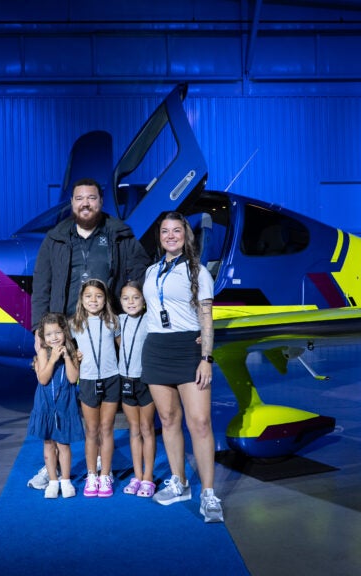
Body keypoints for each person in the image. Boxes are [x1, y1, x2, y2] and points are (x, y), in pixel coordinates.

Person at [27, 177, 150, 491]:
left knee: (98, 395)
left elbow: (140, 268)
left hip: (103, 329)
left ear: (101, 200)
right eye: (79, 198)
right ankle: (52, 465)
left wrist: (128, 303)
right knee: (60, 399)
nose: (85, 203)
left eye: (91, 198)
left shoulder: (119, 235)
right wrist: (39, 332)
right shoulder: (54, 239)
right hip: (63, 331)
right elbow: (40, 286)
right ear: (72, 203)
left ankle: (97, 460)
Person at [141, 211, 223, 523]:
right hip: (157, 349)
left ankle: (209, 494)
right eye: (165, 231)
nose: (171, 236)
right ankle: (180, 483)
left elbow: (206, 318)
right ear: (159, 236)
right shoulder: (151, 273)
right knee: (169, 419)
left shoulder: (197, 272)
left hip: (189, 350)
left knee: (200, 423)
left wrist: (206, 357)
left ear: (185, 235)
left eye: (177, 230)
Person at [71, 278, 121, 497]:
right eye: (88, 296)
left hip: (112, 378)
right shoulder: (73, 324)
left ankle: (105, 474)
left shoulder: (113, 321)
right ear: (81, 300)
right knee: (92, 430)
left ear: (105, 299)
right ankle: (92, 475)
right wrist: (74, 356)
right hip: (89, 381)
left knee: (107, 428)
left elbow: (125, 347)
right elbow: (66, 351)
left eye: (98, 296)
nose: (93, 300)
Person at [26, 312, 84, 499]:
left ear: (65, 332)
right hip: (46, 404)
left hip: (65, 403)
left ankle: (65, 481)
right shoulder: (43, 352)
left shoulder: (72, 350)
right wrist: (52, 360)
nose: (54, 338)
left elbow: (73, 378)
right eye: (49, 334)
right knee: (49, 443)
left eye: (57, 333)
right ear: (43, 336)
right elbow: (43, 379)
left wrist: (68, 357)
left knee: (64, 444)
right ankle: (52, 480)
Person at [116, 280, 156, 497]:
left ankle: (148, 478)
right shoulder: (118, 321)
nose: (131, 302)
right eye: (125, 298)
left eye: (136, 297)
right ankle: (137, 476)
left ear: (144, 300)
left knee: (146, 428)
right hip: (125, 380)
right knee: (133, 429)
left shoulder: (151, 320)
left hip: (146, 381)